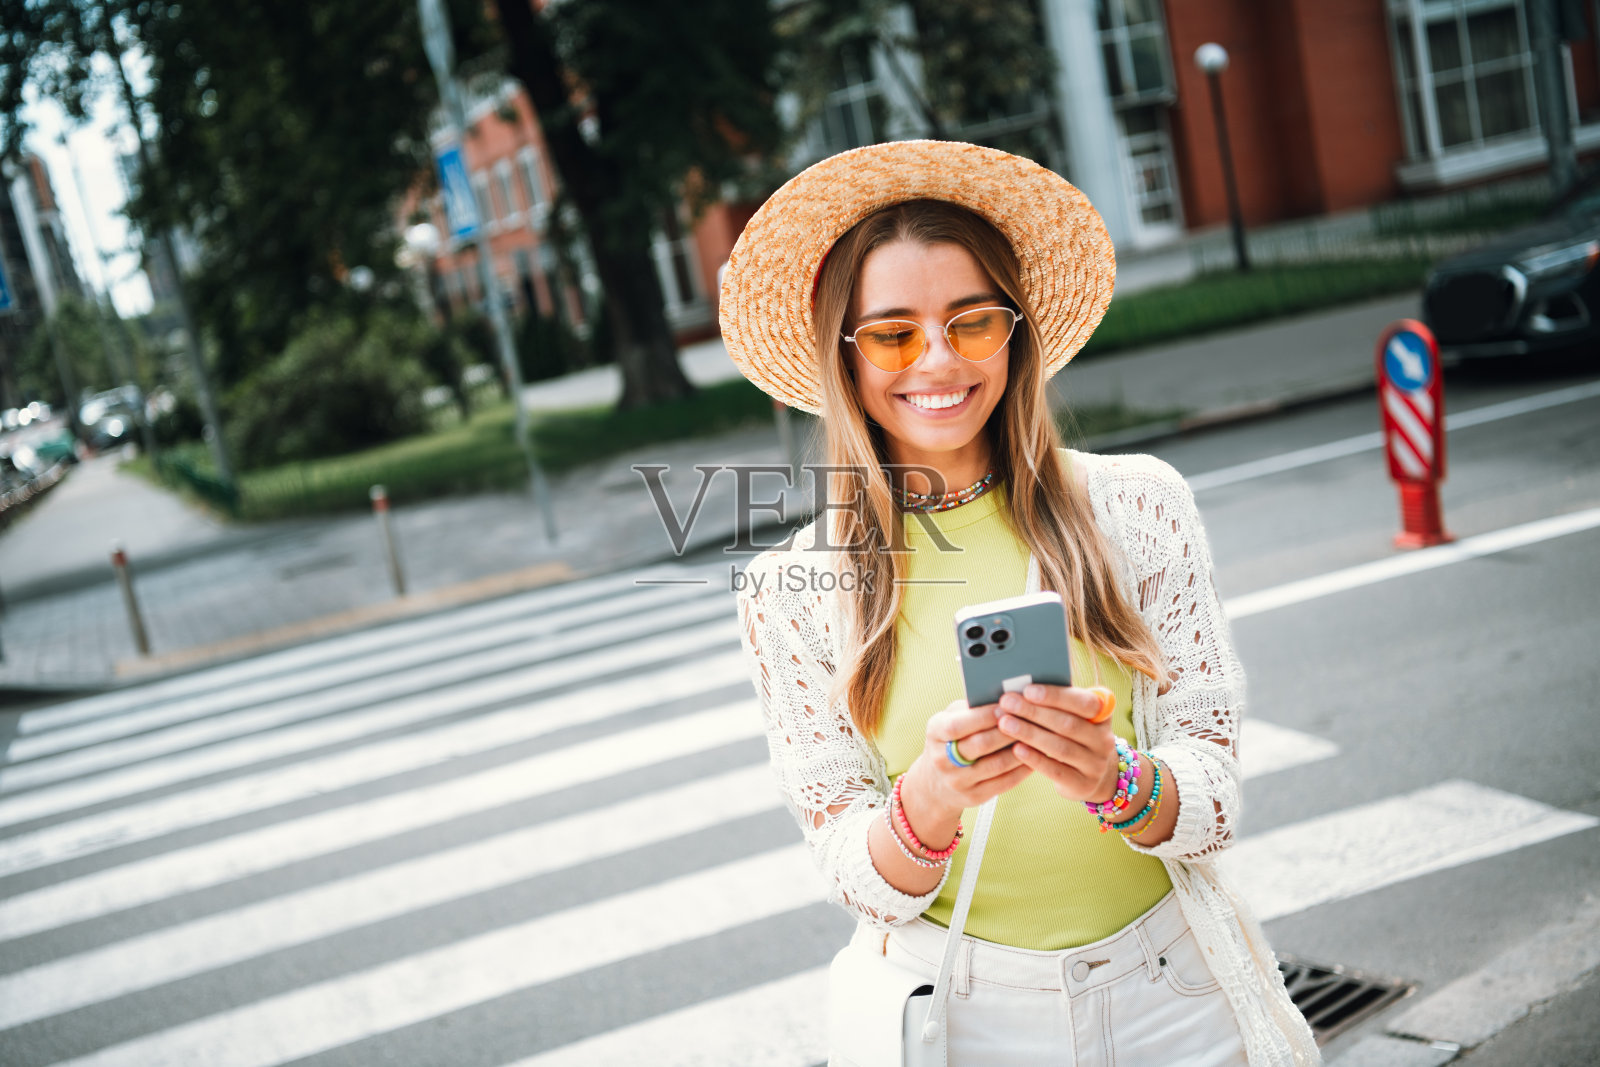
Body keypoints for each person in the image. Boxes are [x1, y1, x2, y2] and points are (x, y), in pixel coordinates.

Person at [721, 140, 1320, 1066]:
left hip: (1175, 991)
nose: (936, 359)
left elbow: (1215, 791)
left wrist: (1115, 778)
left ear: (1015, 333)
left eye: (970, 322)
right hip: (965, 1015)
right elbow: (851, 869)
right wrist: (930, 796)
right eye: (891, 332)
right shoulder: (791, 593)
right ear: (846, 356)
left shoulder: (1140, 506)